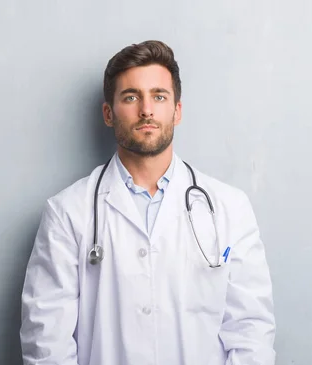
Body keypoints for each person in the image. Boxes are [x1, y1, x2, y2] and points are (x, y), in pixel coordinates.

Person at [19, 40, 276, 365]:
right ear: (108, 113)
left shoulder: (229, 208)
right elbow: (46, 342)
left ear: (177, 110)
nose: (146, 110)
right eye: (131, 97)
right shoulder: (68, 212)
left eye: (159, 96)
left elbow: (251, 331)